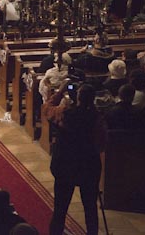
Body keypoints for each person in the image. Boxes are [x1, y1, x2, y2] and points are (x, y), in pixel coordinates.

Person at [48, 84, 107, 235]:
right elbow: (101, 145)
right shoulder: (97, 118)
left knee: (60, 208)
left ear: (78, 97)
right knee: (90, 208)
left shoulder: (65, 113)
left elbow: (47, 109)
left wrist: (60, 92)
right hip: (88, 166)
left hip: (65, 165)